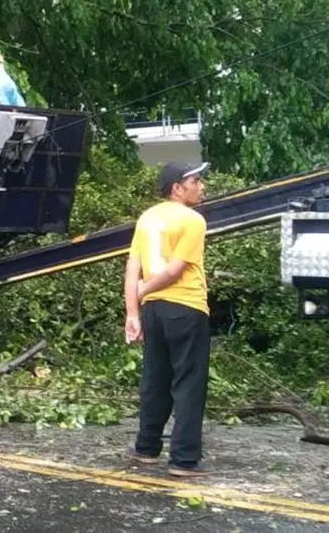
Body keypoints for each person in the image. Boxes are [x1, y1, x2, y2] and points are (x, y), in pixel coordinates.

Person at [124, 161, 211, 477]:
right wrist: (144, 288)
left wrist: (133, 311)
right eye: (196, 181)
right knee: (188, 382)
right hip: (186, 306)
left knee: (155, 377)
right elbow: (174, 270)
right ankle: (184, 460)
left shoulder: (147, 218)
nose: (202, 187)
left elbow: (133, 265)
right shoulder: (193, 220)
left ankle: (146, 448)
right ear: (177, 188)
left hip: (152, 310)